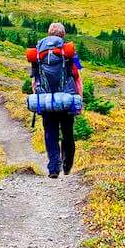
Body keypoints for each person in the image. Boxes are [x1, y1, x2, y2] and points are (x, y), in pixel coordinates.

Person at [30, 22, 83, 179]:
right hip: (66, 98)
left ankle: (53, 167)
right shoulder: (69, 51)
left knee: (50, 133)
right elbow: (77, 76)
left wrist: (39, 97)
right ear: (63, 35)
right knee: (67, 133)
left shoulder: (39, 51)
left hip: (46, 98)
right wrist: (79, 97)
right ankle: (67, 165)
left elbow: (35, 79)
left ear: (48, 34)